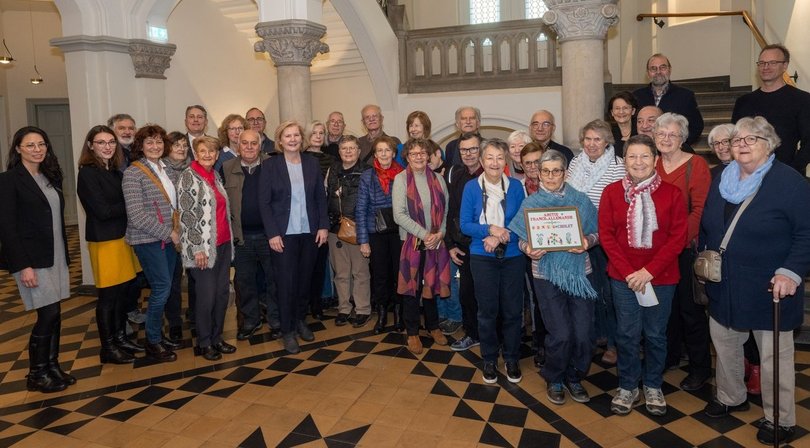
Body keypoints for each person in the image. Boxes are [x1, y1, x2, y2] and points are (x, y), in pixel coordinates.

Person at [700, 117, 810, 445]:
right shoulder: (719, 177)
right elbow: (708, 223)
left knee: (774, 354)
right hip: (725, 282)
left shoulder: (789, 182)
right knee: (726, 342)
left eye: (753, 139)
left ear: (769, 143)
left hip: (770, 286)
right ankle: (731, 395)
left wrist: (790, 271)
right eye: (737, 140)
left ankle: (780, 417)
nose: (743, 145)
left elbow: (806, 232)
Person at [598, 134, 687, 416]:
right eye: (633, 157)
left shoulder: (672, 194)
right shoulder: (611, 192)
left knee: (656, 335)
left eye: (645, 156)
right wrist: (629, 273)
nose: (638, 162)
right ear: (625, 161)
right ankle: (627, 386)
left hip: (661, 278)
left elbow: (677, 238)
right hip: (623, 278)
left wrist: (648, 272)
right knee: (626, 334)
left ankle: (652, 384)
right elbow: (606, 236)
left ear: (655, 160)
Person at [510, 149, 598, 400]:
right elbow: (521, 240)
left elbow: (598, 232)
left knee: (583, 333)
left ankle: (575, 375)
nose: (550, 176)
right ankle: (555, 377)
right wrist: (529, 249)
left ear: (564, 172)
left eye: (556, 171)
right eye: (545, 171)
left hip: (580, 273)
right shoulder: (530, 203)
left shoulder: (581, 200)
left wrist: (586, 242)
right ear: (538, 173)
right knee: (560, 333)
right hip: (545, 275)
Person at [0, 127, 74, 392]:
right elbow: (7, 228)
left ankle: (52, 367)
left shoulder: (49, 177)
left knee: (55, 314)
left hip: (55, 256)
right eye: (30, 145)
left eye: (41, 144)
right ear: (18, 148)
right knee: (48, 313)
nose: (37, 149)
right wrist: (23, 266)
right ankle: (36, 374)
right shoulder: (9, 180)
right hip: (32, 260)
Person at [653, 113, 712, 391]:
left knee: (691, 312)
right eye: (661, 134)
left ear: (683, 138)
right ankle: (670, 357)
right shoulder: (649, 164)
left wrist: (674, 242)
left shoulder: (696, 165)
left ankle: (701, 369)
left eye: (672, 134)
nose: (666, 139)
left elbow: (699, 210)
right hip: (655, 252)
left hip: (684, 250)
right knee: (666, 309)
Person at [259, 121, 328, 354]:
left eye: (296, 135)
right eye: (287, 136)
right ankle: (288, 330)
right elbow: (264, 203)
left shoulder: (311, 163)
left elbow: (320, 197)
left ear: (302, 138)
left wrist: (323, 226)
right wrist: (272, 233)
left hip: (309, 233)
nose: (293, 139)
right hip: (283, 235)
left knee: (304, 281)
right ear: (280, 140)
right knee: (286, 284)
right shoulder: (270, 166)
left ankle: (300, 320)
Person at [460, 138, 526, 383]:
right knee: (487, 311)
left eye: (500, 157)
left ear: (506, 160)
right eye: (490, 157)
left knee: (511, 311)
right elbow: (466, 225)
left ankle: (511, 358)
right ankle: (489, 358)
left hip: (512, 256)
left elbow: (521, 222)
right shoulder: (471, 188)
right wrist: (489, 230)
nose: (495, 163)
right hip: (481, 256)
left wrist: (498, 237)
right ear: (481, 161)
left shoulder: (516, 187)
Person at [77, 125, 140, 365]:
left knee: (123, 293)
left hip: (122, 239)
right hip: (104, 241)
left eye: (111, 142)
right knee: (108, 297)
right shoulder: (88, 173)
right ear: (91, 145)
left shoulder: (115, 172)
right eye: (101, 142)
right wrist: (132, 206)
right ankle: (108, 347)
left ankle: (120, 337)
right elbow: (102, 211)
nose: (107, 146)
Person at [566, 119, 626, 365]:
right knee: (586, 291)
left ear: (607, 141)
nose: (591, 144)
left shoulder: (618, 166)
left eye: (597, 139)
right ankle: (592, 337)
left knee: (609, 293)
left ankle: (613, 343)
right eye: (588, 139)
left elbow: (619, 204)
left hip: (605, 239)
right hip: (577, 238)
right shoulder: (574, 163)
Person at [123, 124, 181, 363]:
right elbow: (136, 215)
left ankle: (157, 334)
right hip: (149, 240)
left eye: (159, 142)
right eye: (150, 142)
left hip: (167, 239)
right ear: (140, 146)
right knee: (161, 289)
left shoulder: (166, 169)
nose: (155, 146)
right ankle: (152, 341)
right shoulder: (133, 173)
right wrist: (169, 233)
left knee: (165, 289)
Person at [177, 136, 235, 361]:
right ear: (196, 153)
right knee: (206, 297)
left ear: (217, 154)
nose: (208, 155)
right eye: (203, 151)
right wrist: (197, 248)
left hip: (222, 245)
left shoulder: (215, 175)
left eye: (212, 151)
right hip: (203, 250)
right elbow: (187, 215)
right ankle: (204, 342)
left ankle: (217, 337)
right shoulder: (188, 177)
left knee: (221, 295)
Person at [392, 138, 450, 355]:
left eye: (422, 153)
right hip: (412, 242)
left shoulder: (438, 179)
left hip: (436, 241)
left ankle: (433, 326)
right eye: (413, 153)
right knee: (411, 287)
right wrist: (425, 235)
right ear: (407, 156)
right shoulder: (400, 179)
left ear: (429, 156)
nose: (418, 157)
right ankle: (413, 332)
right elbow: (399, 215)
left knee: (432, 283)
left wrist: (440, 233)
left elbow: (446, 211)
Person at [223, 130, 280, 341]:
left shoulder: (273, 165)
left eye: (253, 143)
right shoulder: (227, 168)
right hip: (242, 238)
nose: (249, 147)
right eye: (244, 143)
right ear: (238, 146)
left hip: (269, 237)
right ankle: (250, 321)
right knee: (244, 282)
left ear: (260, 145)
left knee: (274, 280)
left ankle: (276, 320)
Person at [732, 44, 810, 175]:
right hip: (747, 175)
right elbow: (734, 139)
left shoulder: (802, 99)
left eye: (772, 62)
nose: (766, 67)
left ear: (785, 66)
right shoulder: (743, 101)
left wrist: (791, 170)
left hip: (785, 175)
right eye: (762, 63)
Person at [356, 136, 405, 334]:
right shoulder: (367, 176)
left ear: (394, 153)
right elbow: (360, 209)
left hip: (400, 233)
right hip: (375, 233)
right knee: (380, 277)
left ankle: (400, 315)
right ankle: (382, 315)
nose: (384, 154)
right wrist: (363, 241)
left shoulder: (403, 174)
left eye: (387, 150)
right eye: (379, 151)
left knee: (399, 275)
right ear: (375, 154)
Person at [443, 132, 484, 352]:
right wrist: (450, 245)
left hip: (487, 246)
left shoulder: (490, 175)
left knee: (487, 295)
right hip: (464, 246)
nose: (468, 154)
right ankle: (472, 334)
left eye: (473, 149)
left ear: (481, 150)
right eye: (464, 150)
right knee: (466, 293)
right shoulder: (457, 175)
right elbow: (450, 213)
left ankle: (492, 337)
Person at [326, 135, 373, 327]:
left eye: (352, 148)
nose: (348, 151)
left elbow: (371, 203)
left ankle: (363, 309)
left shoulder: (368, 172)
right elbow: (325, 196)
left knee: (360, 272)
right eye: (344, 148)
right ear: (339, 151)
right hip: (335, 228)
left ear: (359, 151)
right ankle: (344, 308)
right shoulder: (333, 170)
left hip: (358, 229)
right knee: (341, 273)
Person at [517, 141, 548, 368]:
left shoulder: (556, 185)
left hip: (556, 252)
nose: (532, 166)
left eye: (537, 161)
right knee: (534, 297)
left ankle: (552, 341)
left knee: (549, 300)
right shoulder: (517, 187)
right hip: (528, 251)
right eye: (527, 163)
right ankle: (539, 344)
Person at [633, 54, 704, 145]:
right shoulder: (636, 96)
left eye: (663, 67)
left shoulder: (685, 96)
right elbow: (632, 125)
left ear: (669, 70)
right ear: (647, 73)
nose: (658, 72)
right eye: (653, 69)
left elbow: (696, 126)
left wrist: (678, 144)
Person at [305, 120, 336, 320]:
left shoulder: (331, 159)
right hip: (304, 218)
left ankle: (316, 304)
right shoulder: (300, 158)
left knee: (319, 264)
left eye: (321, 132)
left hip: (323, 217)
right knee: (303, 264)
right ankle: (303, 303)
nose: (318, 136)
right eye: (314, 132)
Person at [163, 131, 192, 342]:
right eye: (176, 145)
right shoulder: (160, 170)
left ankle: (196, 315)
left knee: (196, 278)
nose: (181, 149)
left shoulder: (193, 168)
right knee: (172, 281)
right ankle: (174, 322)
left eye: (184, 145)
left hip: (192, 232)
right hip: (171, 234)